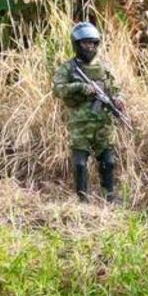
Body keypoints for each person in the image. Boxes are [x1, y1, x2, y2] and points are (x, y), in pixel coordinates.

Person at [51, 22, 124, 202]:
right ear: (77, 44)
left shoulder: (104, 68)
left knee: (108, 161)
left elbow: (114, 88)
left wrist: (118, 100)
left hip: (103, 121)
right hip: (80, 123)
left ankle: (110, 195)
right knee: (80, 164)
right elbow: (57, 90)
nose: (89, 47)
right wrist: (80, 87)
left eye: (92, 43)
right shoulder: (69, 68)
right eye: (85, 43)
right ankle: (82, 199)